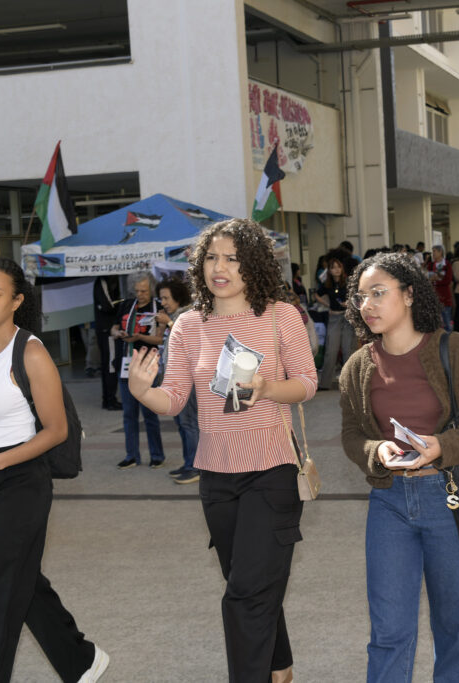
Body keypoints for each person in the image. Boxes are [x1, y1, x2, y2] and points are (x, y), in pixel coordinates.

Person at [127, 219, 316, 682]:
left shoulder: (279, 316)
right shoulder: (189, 325)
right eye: (212, 257)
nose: (220, 267)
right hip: (216, 478)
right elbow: (173, 399)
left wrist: (268, 387)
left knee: (245, 595)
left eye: (232, 258)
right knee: (250, 582)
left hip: (272, 471)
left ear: (252, 264)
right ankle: (280, 666)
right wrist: (141, 391)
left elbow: (308, 384)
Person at [338, 252, 459, 683]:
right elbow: (352, 434)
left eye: (379, 293)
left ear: (409, 294)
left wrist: (441, 446)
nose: (368, 305)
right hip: (389, 502)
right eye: (360, 297)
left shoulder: (455, 349)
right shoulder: (358, 367)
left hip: (449, 501)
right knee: (389, 633)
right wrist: (376, 451)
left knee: (454, 630)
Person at [0, 258, 107, 682]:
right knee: (21, 578)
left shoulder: (30, 352)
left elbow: (55, 430)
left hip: (22, 478)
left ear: (16, 301)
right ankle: (80, 659)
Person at [111, 272, 166, 469]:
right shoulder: (127, 305)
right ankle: (132, 455)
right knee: (129, 413)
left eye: (144, 291)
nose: (140, 294)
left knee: (149, 413)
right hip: (126, 364)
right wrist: (118, 333)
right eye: (137, 291)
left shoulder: (158, 308)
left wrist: (138, 338)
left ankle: (157, 454)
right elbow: (114, 327)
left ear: (151, 289)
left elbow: (160, 339)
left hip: (147, 366)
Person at [155, 277, 200, 484]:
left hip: (187, 379)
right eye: (161, 298)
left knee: (188, 423)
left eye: (166, 297)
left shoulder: (188, 315)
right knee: (181, 423)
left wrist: (169, 323)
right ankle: (188, 462)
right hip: (174, 380)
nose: (162, 302)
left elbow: (188, 342)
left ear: (178, 297)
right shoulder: (175, 316)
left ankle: (196, 467)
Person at [316, 249, 356, 390]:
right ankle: (325, 383)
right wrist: (328, 305)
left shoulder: (349, 282)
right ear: (330, 270)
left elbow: (358, 295)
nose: (336, 270)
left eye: (338, 267)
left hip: (347, 317)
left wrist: (349, 303)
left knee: (348, 350)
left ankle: (349, 383)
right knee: (331, 351)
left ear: (342, 268)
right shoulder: (327, 284)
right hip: (333, 317)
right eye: (333, 268)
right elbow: (317, 295)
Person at [93, 276, 122, 411]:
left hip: (106, 329)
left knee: (107, 365)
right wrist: (122, 304)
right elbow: (107, 305)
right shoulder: (102, 282)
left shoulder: (104, 282)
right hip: (107, 330)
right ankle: (110, 399)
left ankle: (108, 399)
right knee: (110, 365)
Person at [428, 244, 454, 332]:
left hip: (444, 296)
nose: (433, 254)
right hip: (433, 296)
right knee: (435, 323)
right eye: (432, 252)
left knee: (446, 321)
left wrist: (436, 281)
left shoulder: (446, 264)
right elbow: (428, 278)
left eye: (434, 251)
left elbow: (448, 280)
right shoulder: (431, 265)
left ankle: (447, 342)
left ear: (440, 252)